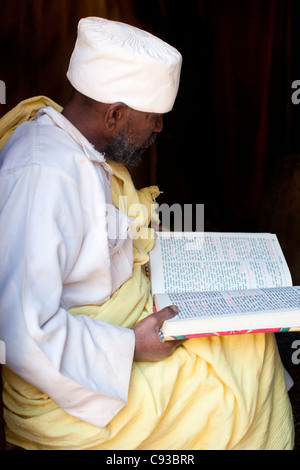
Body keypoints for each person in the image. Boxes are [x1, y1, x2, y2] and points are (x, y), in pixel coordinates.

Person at [0, 17, 294, 450]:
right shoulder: (42, 175)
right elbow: (20, 333)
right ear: (115, 115)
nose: (158, 129)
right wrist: (129, 345)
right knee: (229, 397)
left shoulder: (82, 146)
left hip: (120, 323)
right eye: (153, 118)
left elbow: (99, 240)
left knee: (252, 345)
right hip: (68, 384)